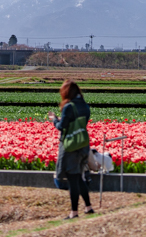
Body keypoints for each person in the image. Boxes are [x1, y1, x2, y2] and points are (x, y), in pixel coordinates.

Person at [48, 79, 94, 219]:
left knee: (73, 179)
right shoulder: (85, 106)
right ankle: (88, 207)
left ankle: (74, 212)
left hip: (71, 146)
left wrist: (54, 119)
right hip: (83, 145)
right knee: (79, 177)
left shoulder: (69, 107)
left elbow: (62, 127)